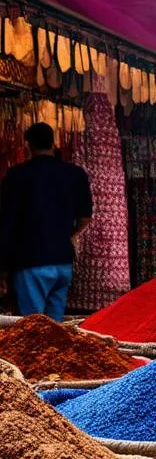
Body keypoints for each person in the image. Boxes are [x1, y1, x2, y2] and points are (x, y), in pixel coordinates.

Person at [0, 122, 92, 321]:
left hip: (30, 262)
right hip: (62, 262)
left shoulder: (17, 176)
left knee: (33, 327)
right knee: (54, 327)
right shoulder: (75, 174)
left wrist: (3, 268)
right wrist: (68, 236)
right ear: (54, 143)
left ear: (28, 146)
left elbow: (6, 224)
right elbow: (86, 218)